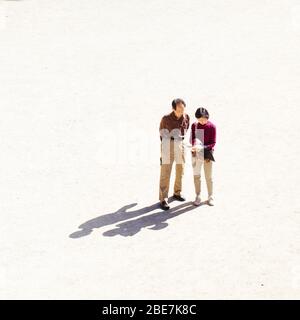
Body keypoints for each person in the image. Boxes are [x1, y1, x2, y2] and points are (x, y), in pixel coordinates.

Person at [159, 99, 190, 210]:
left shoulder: (186, 117)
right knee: (165, 172)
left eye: (183, 108)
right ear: (173, 108)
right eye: (179, 109)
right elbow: (161, 134)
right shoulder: (166, 118)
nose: (182, 111)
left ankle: (177, 192)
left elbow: (186, 129)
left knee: (180, 169)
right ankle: (163, 199)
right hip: (168, 143)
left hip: (181, 143)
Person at [190, 107, 216, 206]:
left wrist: (202, 147)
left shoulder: (212, 127)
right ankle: (198, 196)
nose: (202, 121)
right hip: (196, 153)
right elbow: (193, 138)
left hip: (207, 154)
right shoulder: (195, 125)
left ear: (207, 117)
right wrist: (193, 146)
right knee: (196, 176)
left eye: (204, 119)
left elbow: (213, 143)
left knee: (208, 176)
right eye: (199, 119)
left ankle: (210, 196)